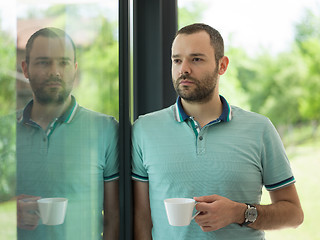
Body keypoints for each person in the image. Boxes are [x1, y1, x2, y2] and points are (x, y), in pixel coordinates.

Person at [132, 23, 304, 240]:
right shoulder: (144, 129)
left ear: (222, 65)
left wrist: (240, 213)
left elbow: (294, 214)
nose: (183, 68)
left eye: (196, 59)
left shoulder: (259, 129)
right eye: (177, 60)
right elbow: (141, 219)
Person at [16, 27, 119, 240]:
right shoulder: (4, 130)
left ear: (75, 69)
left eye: (63, 62)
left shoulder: (106, 129)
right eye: (44, 62)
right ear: (25, 69)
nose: (55, 71)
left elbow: (114, 217)